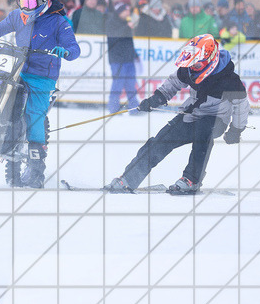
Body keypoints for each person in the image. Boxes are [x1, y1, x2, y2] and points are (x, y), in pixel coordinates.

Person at [105, 34, 249, 195]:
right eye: (191, 62)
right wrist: (156, 98)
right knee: (161, 140)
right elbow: (173, 83)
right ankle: (128, 178)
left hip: (216, 119)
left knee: (203, 135)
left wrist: (236, 130)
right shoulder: (189, 69)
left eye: (197, 63)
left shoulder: (229, 79)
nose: (193, 66)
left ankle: (191, 180)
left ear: (210, 58)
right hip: (192, 115)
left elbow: (241, 105)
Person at [0, 0, 81, 188]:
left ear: (42, 1)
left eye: (29, 2)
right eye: (21, 2)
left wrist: (64, 51)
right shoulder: (17, 16)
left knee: (33, 115)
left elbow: (74, 48)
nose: (24, 6)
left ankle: (36, 168)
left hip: (42, 75)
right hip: (17, 69)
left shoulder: (59, 21)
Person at [105, 1, 140, 112]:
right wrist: (126, 27)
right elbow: (115, 38)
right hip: (117, 60)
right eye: (125, 11)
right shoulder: (112, 22)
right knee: (117, 85)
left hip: (128, 59)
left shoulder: (126, 23)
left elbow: (128, 42)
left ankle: (134, 108)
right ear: (119, 12)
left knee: (131, 85)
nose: (127, 14)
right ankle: (113, 108)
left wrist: (134, 54)